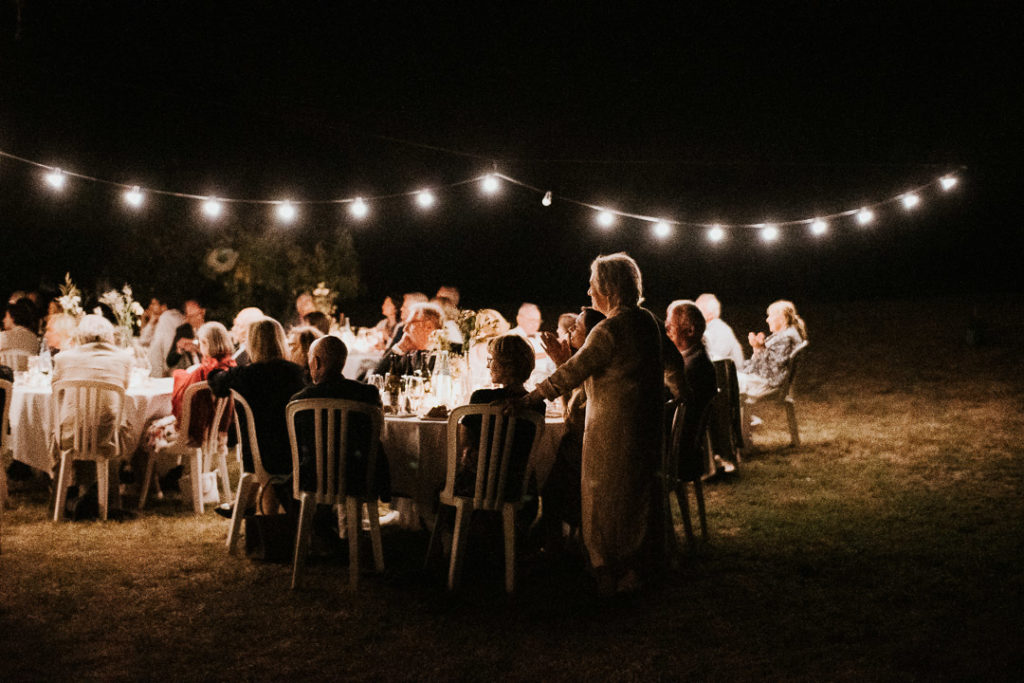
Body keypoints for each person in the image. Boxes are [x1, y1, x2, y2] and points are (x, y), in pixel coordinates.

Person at [518, 253, 665, 595]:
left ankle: (606, 571)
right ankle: (633, 568)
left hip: (610, 428)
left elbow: (570, 373)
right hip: (644, 425)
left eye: (593, 284)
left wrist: (528, 399)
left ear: (609, 287)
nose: (589, 291)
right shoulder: (647, 322)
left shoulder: (608, 329)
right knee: (633, 497)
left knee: (601, 495)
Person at [209, 317, 305, 511]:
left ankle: (256, 515)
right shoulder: (297, 373)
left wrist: (221, 369)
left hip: (258, 455)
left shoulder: (245, 375)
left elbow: (216, 385)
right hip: (297, 452)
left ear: (251, 344)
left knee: (268, 467)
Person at [536, 306, 605, 548]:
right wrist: (561, 363)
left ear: (591, 337)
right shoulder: (583, 365)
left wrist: (561, 363)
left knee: (551, 459)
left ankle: (549, 531)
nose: (570, 329)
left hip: (592, 456)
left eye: (577, 327)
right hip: (585, 447)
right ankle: (549, 531)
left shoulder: (595, 369)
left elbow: (572, 417)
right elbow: (569, 411)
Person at [290, 336, 390, 501]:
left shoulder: (299, 401)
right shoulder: (367, 394)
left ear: (315, 362)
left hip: (312, 479)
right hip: (359, 477)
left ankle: (318, 522)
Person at [52, 315, 133, 512]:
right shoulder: (123, 359)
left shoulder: (62, 358)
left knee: (65, 427)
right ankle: (111, 500)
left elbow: (56, 390)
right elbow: (125, 386)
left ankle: (64, 497)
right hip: (107, 438)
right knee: (120, 426)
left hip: (69, 437)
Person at [456, 334, 545, 499]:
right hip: (518, 486)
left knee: (440, 486)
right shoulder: (538, 405)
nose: (488, 366)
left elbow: (465, 439)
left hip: (477, 483)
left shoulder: (481, 398)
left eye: (491, 360)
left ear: (508, 367)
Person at [665, 300, 719, 478]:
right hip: (685, 450)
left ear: (690, 331)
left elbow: (672, 410)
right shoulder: (694, 359)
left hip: (678, 455)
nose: (666, 328)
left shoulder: (694, 367)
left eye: (671, 325)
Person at [737, 299, 807, 398]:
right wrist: (759, 347)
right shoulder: (785, 336)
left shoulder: (785, 340)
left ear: (782, 319)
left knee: (727, 380)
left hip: (767, 384)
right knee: (729, 374)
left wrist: (758, 347)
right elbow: (770, 363)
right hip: (768, 379)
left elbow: (770, 370)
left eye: (770, 316)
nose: (767, 319)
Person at [374, 302, 443, 377]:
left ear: (428, 326)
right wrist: (399, 347)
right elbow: (375, 379)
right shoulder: (411, 354)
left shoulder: (447, 356)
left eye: (410, 324)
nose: (404, 329)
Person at [510, 302, 554, 388]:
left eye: (537, 321)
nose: (535, 324)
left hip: (544, 389)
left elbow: (552, 367)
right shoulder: (508, 338)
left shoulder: (543, 338)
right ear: (519, 319)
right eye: (531, 320)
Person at [695, 293, 744, 367]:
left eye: (697, 310)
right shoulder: (706, 330)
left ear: (710, 314)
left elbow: (715, 360)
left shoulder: (721, 330)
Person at [467, 308, 510, 389]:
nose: (494, 324)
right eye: (488, 322)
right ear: (480, 327)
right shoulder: (474, 346)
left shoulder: (508, 343)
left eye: (496, 320)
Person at [165, 300, 206, 372]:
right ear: (187, 318)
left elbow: (212, 345)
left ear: (203, 312)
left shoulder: (211, 327)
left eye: (199, 314)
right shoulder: (183, 330)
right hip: (192, 372)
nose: (198, 318)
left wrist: (194, 343)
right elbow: (170, 362)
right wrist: (179, 350)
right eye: (192, 316)